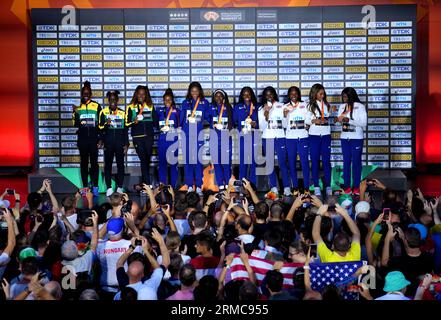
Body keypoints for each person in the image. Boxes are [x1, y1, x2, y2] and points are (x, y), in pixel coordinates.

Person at [258, 86, 290, 197]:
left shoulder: (281, 106)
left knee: (282, 163)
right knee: (270, 164)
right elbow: (261, 128)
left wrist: (285, 116)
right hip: (267, 137)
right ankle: (274, 188)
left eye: (271, 94)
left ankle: (286, 187)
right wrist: (266, 116)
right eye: (267, 94)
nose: (269, 96)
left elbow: (285, 125)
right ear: (264, 97)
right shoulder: (261, 109)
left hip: (280, 137)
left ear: (274, 95)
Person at [179, 82, 210, 194]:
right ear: (189, 92)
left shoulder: (204, 103)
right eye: (192, 91)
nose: (194, 93)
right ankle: (189, 186)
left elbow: (208, 117)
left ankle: (198, 186)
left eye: (196, 91)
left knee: (197, 161)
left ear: (200, 91)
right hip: (187, 135)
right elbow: (181, 119)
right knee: (188, 161)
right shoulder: (185, 103)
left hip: (198, 136)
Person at [125, 85, 159, 187]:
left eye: (143, 94)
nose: (141, 96)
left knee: (146, 160)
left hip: (149, 136)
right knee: (143, 159)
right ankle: (147, 185)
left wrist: (164, 124)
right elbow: (126, 123)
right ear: (136, 94)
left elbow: (155, 121)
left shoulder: (150, 105)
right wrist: (133, 121)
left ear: (146, 95)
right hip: (137, 137)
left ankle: (144, 184)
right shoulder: (130, 106)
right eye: (139, 93)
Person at [72, 81, 101, 196]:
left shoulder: (97, 106)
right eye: (84, 93)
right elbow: (75, 124)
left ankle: (95, 187)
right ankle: (84, 187)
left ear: (91, 94)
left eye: (88, 93)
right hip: (83, 140)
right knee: (84, 163)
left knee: (94, 164)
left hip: (94, 139)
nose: (86, 94)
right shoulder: (78, 108)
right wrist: (76, 113)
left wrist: (100, 138)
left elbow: (101, 124)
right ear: (81, 94)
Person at [336, 87, 367, 195]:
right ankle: (347, 186)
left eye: (345, 96)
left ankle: (356, 187)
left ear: (351, 95)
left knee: (356, 163)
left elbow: (364, 123)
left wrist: (350, 120)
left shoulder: (360, 106)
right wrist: (338, 120)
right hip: (345, 138)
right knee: (346, 163)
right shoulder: (342, 107)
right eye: (343, 96)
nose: (344, 98)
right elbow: (337, 123)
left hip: (356, 138)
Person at [99, 90, 129, 196]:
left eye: (114, 99)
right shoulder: (103, 112)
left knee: (120, 166)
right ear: (108, 100)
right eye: (111, 99)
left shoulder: (122, 113)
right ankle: (109, 188)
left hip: (120, 143)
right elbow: (100, 127)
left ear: (117, 100)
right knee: (108, 166)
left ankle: (120, 187)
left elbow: (125, 130)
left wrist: (127, 143)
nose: (113, 101)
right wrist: (106, 125)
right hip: (108, 144)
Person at [306, 83, 332, 197]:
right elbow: (306, 121)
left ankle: (328, 186)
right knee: (315, 161)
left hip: (326, 134)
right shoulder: (309, 106)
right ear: (314, 93)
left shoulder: (327, 105)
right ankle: (316, 186)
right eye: (320, 93)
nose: (322, 95)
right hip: (314, 135)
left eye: (323, 93)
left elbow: (327, 118)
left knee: (326, 161)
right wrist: (314, 120)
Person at [283, 86, 311, 193]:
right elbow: (284, 125)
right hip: (290, 138)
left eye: (295, 94)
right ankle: (295, 187)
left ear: (298, 95)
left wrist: (307, 124)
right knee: (291, 163)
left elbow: (308, 119)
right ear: (289, 95)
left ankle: (306, 187)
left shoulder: (305, 105)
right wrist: (285, 115)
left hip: (303, 137)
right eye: (291, 94)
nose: (293, 96)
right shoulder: (285, 106)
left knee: (304, 162)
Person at [233, 87, 259, 185]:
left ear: (251, 95)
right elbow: (234, 121)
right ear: (242, 96)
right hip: (243, 137)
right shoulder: (237, 107)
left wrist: (255, 125)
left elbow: (262, 122)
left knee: (253, 162)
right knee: (243, 162)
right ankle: (241, 184)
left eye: (248, 94)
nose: (247, 96)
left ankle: (252, 185)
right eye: (244, 94)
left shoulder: (257, 107)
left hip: (254, 136)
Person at [208, 89, 233, 190]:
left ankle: (227, 182)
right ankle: (220, 184)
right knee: (217, 162)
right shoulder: (210, 107)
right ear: (214, 98)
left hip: (226, 138)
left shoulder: (228, 108)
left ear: (223, 97)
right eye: (216, 96)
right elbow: (204, 117)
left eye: (220, 96)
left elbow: (233, 121)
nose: (218, 98)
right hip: (214, 138)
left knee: (226, 162)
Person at [156, 88, 180, 188]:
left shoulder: (177, 111)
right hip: (162, 141)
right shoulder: (159, 110)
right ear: (163, 100)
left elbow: (180, 124)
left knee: (173, 165)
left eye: (169, 99)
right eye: (165, 99)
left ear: (172, 100)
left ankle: (172, 186)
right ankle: (162, 185)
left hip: (173, 140)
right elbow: (154, 123)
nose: (167, 101)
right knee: (162, 164)